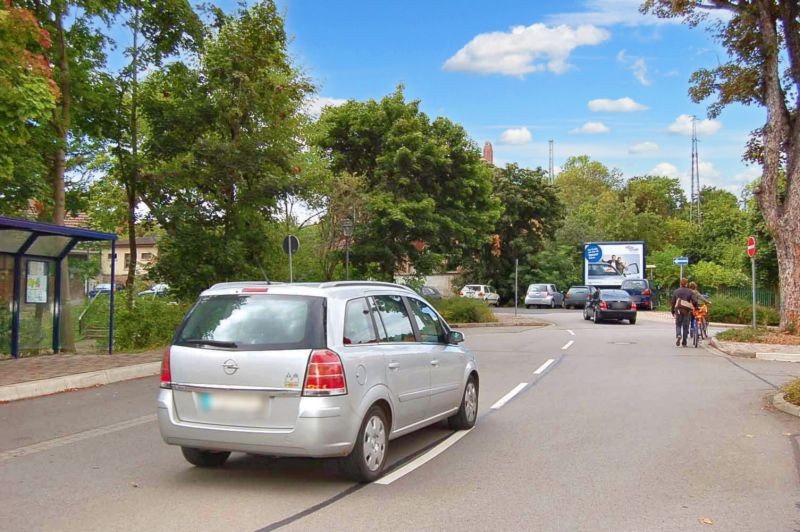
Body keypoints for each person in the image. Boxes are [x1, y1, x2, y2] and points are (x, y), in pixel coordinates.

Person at [670, 278, 697, 347]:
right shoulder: (690, 291)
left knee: (678, 324)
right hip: (686, 311)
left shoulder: (676, 291)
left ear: (680, 283)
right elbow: (694, 301)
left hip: (678, 310)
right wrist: (695, 307)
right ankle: (684, 342)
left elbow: (673, 302)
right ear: (686, 284)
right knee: (685, 326)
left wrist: (672, 311)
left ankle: (678, 334)